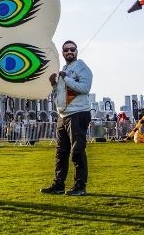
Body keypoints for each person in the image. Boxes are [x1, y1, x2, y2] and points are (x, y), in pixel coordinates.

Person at [40, 40, 93, 197]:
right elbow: (61, 93)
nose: (69, 51)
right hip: (63, 115)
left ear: (77, 51)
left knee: (77, 151)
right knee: (61, 152)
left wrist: (66, 79)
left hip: (78, 113)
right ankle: (58, 184)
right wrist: (54, 85)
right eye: (66, 50)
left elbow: (84, 88)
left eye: (72, 49)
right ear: (62, 53)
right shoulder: (64, 69)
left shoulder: (82, 67)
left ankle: (80, 186)